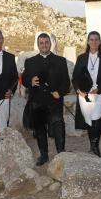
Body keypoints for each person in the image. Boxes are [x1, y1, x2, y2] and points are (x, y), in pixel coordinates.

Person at [22, 33, 70, 166]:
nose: (44, 45)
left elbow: (66, 82)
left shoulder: (60, 61)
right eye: (41, 43)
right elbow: (25, 80)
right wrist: (30, 81)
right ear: (38, 45)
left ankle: (61, 153)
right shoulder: (30, 62)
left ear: (50, 43)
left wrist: (59, 92)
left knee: (59, 126)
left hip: (54, 101)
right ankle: (44, 155)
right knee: (39, 129)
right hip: (37, 101)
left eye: (46, 42)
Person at [72, 31, 101, 157]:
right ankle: (92, 146)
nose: (94, 42)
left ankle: (95, 147)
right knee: (89, 120)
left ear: (100, 41)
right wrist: (78, 90)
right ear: (87, 41)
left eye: (96, 39)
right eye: (91, 39)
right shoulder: (81, 58)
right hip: (85, 94)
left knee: (96, 116)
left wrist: (99, 89)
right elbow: (75, 78)